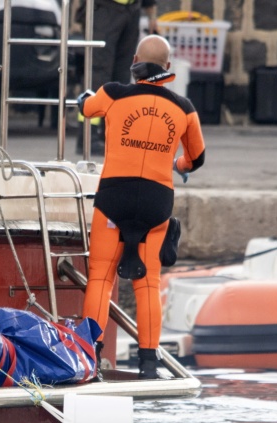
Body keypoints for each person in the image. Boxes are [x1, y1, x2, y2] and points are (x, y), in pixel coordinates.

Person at [78, 35, 205, 379]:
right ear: (168, 68)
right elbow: (197, 158)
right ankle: (149, 362)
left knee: (101, 278)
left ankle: (91, 357)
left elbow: (85, 108)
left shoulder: (114, 93)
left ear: (134, 60)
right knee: (148, 282)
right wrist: (178, 166)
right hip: (156, 201)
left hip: (114, 195)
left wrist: (84, 98)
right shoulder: (184, 108)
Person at [75, 0, 159, 155]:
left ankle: (113, 134)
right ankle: (88, 136)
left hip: (131, 10)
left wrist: (151, 14)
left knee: (121, 77)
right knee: (97, 74)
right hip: (103, 9)